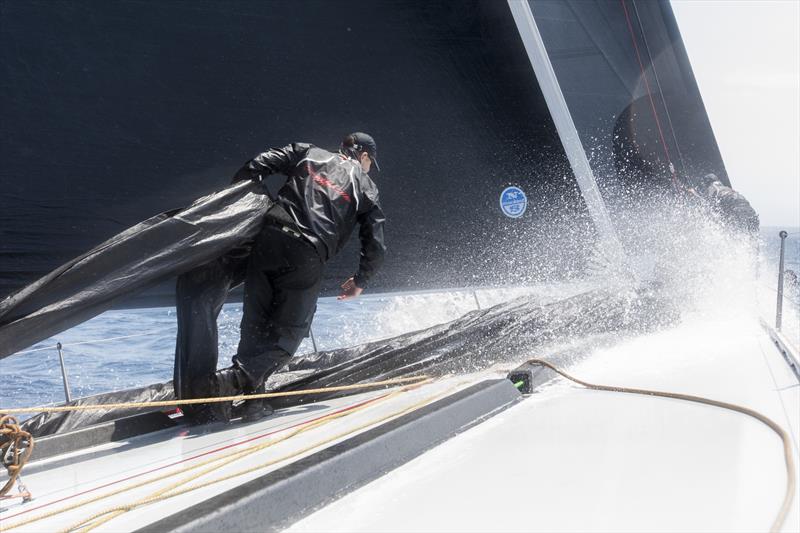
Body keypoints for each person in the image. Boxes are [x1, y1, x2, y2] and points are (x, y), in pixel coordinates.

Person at [177, 133, 385, 424]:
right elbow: (375, 244)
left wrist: (248, 206)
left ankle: (253, 404)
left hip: (268, 240)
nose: (369, 168)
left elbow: (257, 164)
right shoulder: (365, 185)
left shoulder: (308, 152)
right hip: (306, 252)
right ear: (364, 156)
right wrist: (360, 281)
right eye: (370, 163)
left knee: (255, 327)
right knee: (287, 338)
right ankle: (223, 384)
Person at [686, 173, 760, 237]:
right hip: (752, 213)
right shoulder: (726, 188)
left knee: (728, 233)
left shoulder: (712, 188)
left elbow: (707, 204)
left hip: (737, 211)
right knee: (752, 241)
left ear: (707, 183)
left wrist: (694, 194)